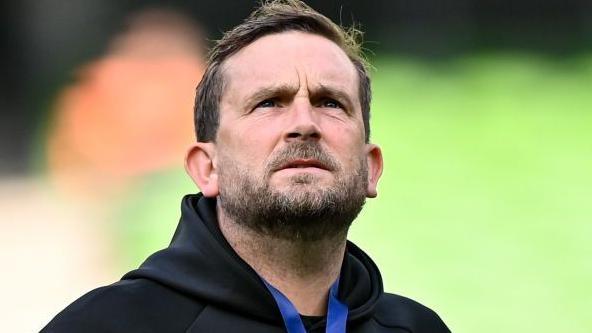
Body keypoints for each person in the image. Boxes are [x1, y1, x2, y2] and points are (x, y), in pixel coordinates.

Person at [43, 1, 450, 332]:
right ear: (207, 168)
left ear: (371, 167)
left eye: (330, 103)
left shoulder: (419, 328)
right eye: (269, 103)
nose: (304, 124)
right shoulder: (107, 326)